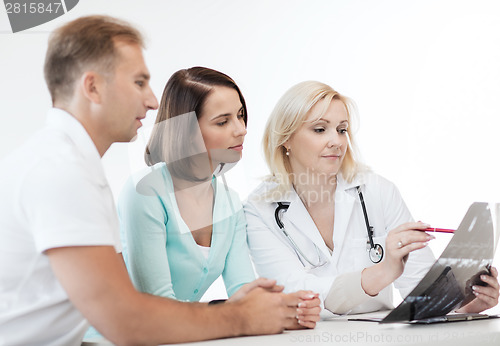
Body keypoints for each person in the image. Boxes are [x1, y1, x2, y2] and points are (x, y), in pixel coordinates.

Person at [0, 16, 319, 345]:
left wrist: (267, 307)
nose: (153, 101)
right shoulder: (60, 173)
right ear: (92, 87)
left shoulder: (72, 166)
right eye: (139, 82)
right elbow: (128, 320)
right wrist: (241, 314)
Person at [244, 80, 499, 316]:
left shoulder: (378, 191)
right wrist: (381, 273)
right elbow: (293, 294)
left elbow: (422, 292)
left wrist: (467, 305)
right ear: (286, 139)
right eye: (320, 129)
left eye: (342, 130)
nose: (337, 141)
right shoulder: (260, 209)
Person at [116, 67, 320, 325]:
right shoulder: (145, 192)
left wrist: (282, 311)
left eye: (240, 115)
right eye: (223, 122)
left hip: (180, 336)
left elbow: (242, 290)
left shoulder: (231, 202)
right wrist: (239, 313)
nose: (241, 129)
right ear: (186, 131)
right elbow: (158, 303)